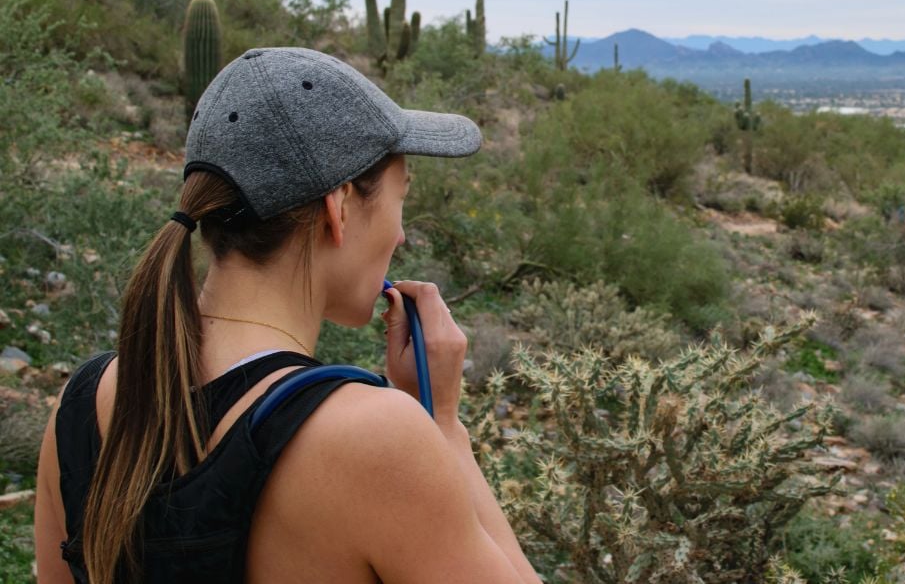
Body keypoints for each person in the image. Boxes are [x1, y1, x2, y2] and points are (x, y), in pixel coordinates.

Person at [33, 47, 542, 583]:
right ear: (339, 208)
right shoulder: (372, 437)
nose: (402, 233)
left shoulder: (84, 401)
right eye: (400, 199)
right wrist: (443, 425)